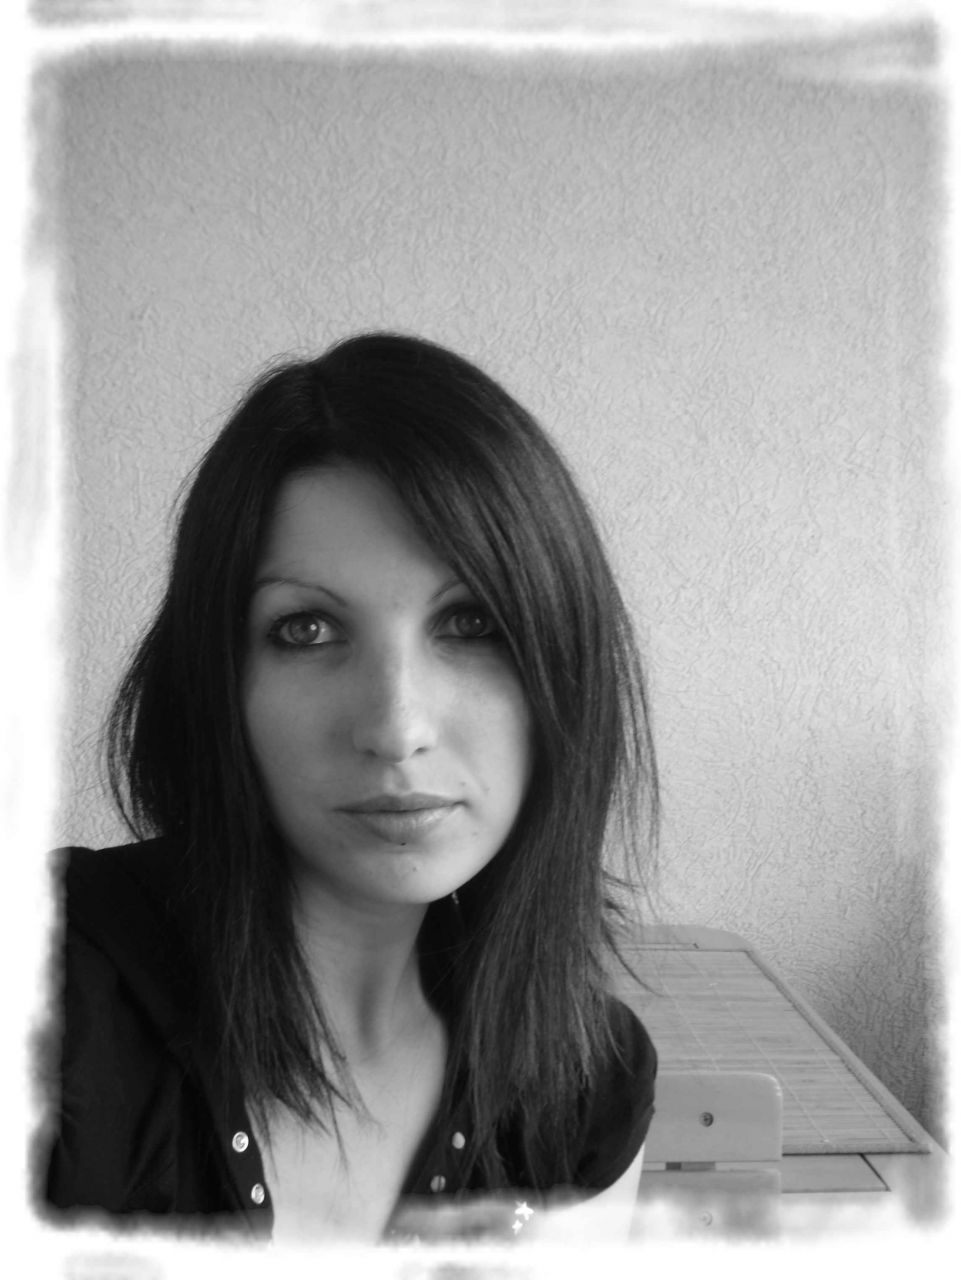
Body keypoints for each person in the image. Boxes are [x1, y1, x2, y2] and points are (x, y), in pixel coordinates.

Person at [41, 332, 659, 1244]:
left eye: (472, 622)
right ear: (217, 683)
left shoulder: (582, 1090)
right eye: (306, 630)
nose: (396, 727)